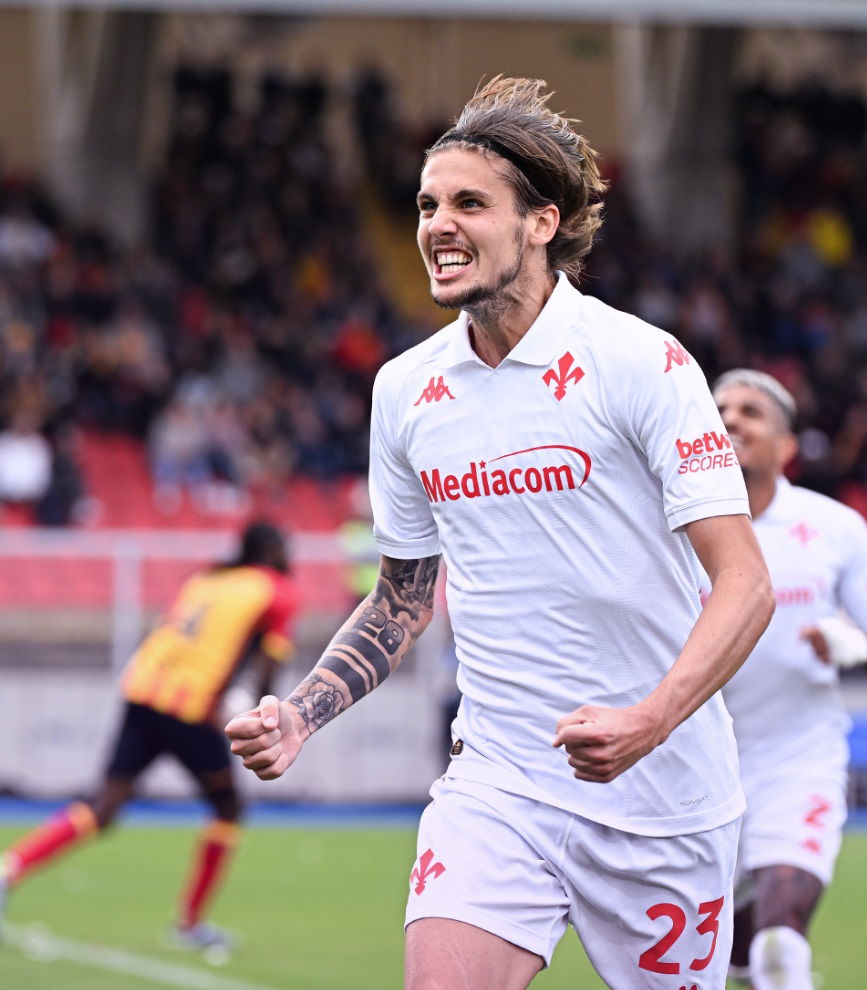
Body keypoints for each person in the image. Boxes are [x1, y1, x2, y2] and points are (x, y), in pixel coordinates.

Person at [227, 76, 774, 989]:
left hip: (665, 798)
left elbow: (746, 584)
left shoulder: (643, 363)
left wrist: (649, 720)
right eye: (426, 205)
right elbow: (401, 600)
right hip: (499, 784)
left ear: (541, 223)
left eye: (469, 204)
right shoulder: (405, 389)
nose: (438, 225)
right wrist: (302, 713)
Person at [0, 520, 298, 951]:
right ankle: (190, 924)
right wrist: (261, 711)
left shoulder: (207, 578)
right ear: (269, 550)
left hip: (143, 689)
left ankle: (10, 867)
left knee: (104, 805)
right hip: (189, 704)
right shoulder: (275, 589)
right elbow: (270, 662)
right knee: (228, 808)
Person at [709, 370, 867, 990]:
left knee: (778, 947)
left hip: (799, 762)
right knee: (725, 961)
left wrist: (854, 644)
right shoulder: (665, 527)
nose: (730, 419)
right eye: (719, 409)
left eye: (750, 411)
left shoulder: (834, 527)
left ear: (787, 445)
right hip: (693, 770)